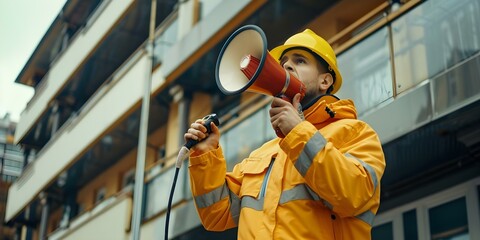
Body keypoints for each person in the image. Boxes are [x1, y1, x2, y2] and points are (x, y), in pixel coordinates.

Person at [184, 28, 386, 239]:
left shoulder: (357, 133)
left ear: (325, 82)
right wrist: (206, 155)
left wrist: (298, 131)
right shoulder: (262, 154)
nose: (287, 65)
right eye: (283, 63)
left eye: (300, 61)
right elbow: (216, 215)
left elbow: (352, 195)